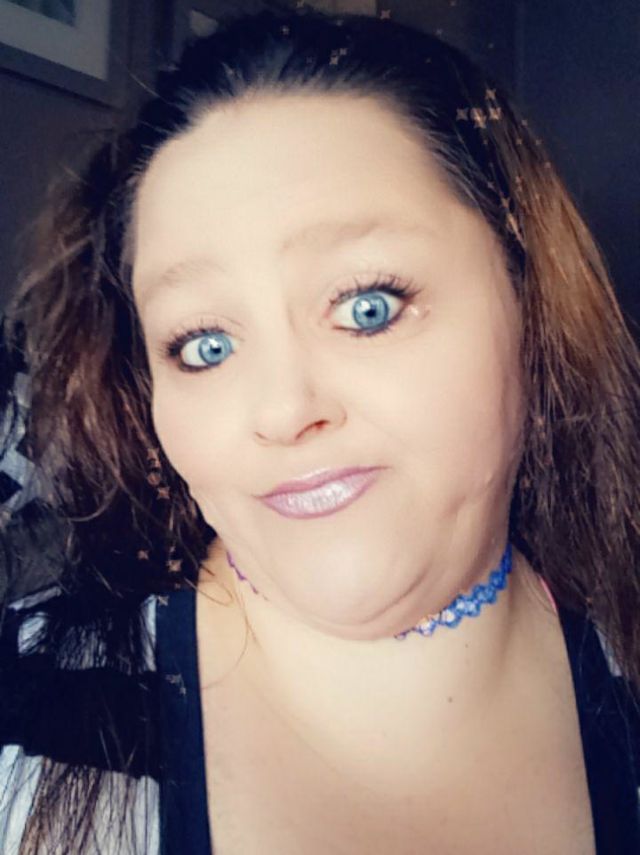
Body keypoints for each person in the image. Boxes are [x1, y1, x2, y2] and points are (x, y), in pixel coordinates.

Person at [0, 6, 639, 854]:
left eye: (367, 306)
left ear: (527, 297)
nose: (282, 409)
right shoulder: (24, 717)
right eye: (205, 344)